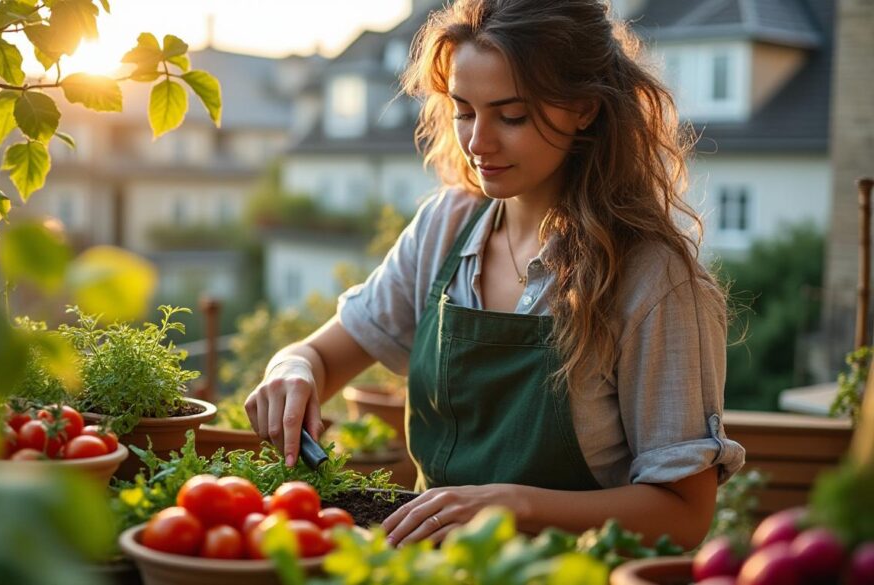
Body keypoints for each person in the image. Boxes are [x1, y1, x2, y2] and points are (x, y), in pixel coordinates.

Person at [245, 0, 744, 550]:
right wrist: (290, 369)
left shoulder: (654, 281)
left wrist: (513, 504)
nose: (479, 143)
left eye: (511, 116)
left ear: (583, 108)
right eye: (464, 111)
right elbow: (318, 356)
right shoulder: (446, 225)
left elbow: (685, 513)